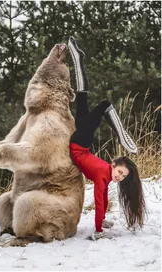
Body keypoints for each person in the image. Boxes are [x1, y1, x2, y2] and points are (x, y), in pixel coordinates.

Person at [68, 36, 145, 240]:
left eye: (123, 176)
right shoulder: (104, 173)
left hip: (80, 146)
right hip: (80, 143)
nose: (119, 177)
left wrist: (101, 221)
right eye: (120, 171)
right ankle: (122, 135)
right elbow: (99, 201)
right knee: (103, 104)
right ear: (113, 164)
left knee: (83, 95)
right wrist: (99, 231)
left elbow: (101, 197)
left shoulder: (105, 174)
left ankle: (76, 57)